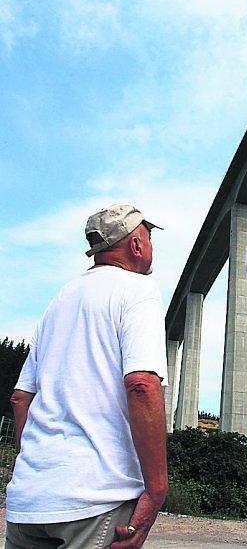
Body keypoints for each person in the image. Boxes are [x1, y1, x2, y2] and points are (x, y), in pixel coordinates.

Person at [6, 204, 169, 549]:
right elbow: (142, 384)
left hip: (29, 503)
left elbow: (21, 398)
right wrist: (156, 490)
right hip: (94, 500)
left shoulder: (59, 300)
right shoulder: (138, 290)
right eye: (149, 238)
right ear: (136, 246)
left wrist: (41, 468)